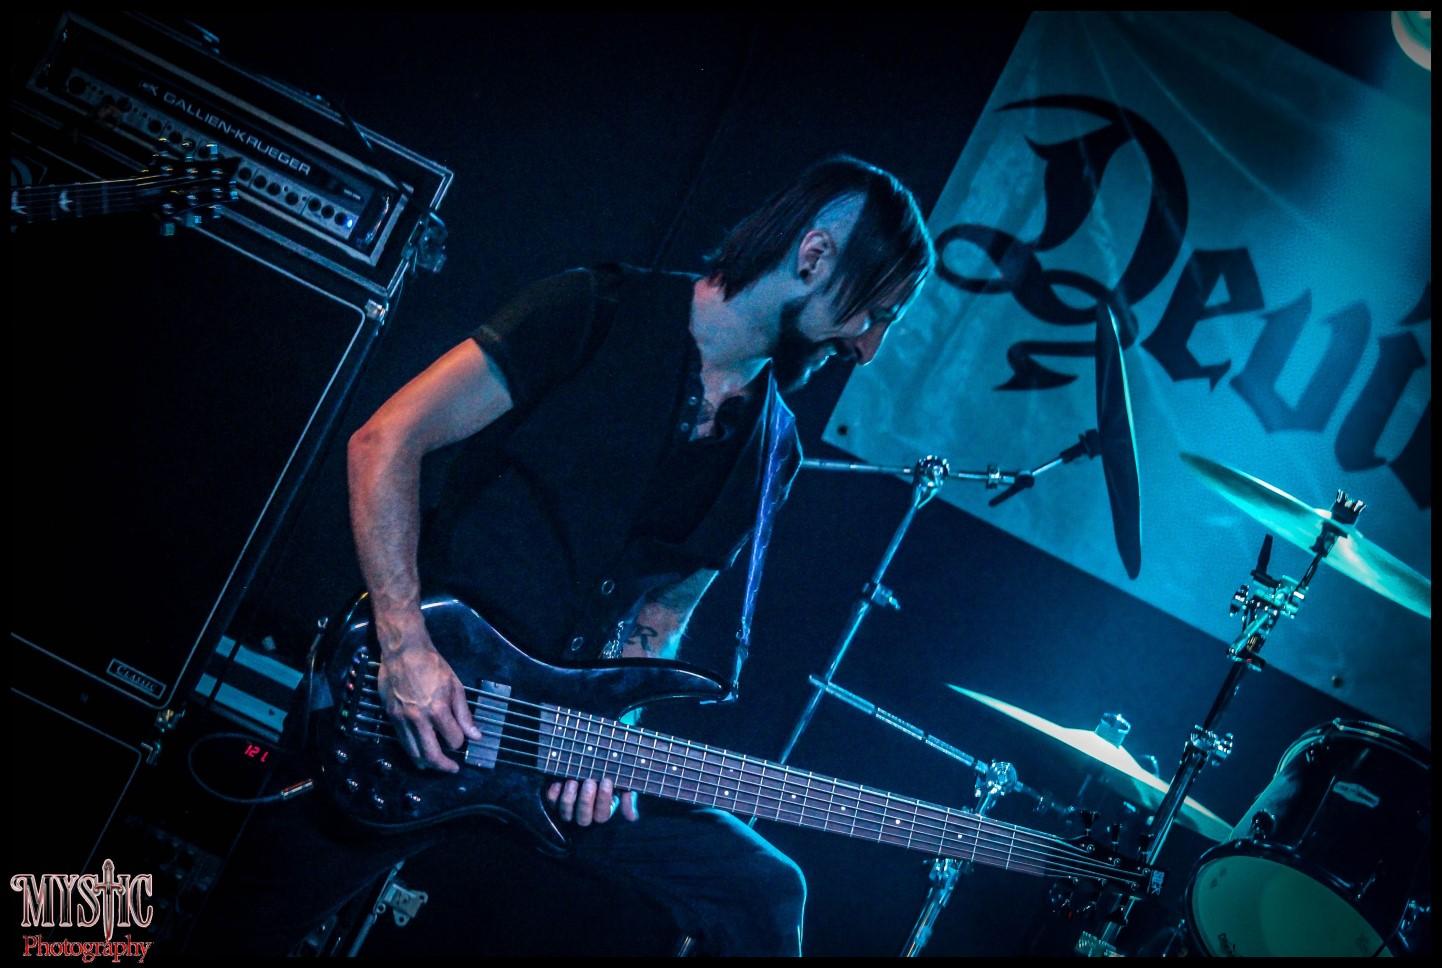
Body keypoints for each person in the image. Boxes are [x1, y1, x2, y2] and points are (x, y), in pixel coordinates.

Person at [187, 154, 934, 957]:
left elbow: (663, 613)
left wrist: (613, 737)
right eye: (874, 313)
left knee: (762, 887)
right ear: (814, 256)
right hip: (413, 711)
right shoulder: (593, 309)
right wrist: (405, 648)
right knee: (235, 939)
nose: (868, 347)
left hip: (550, 752)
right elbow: (386, 441)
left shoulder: (774, 449)